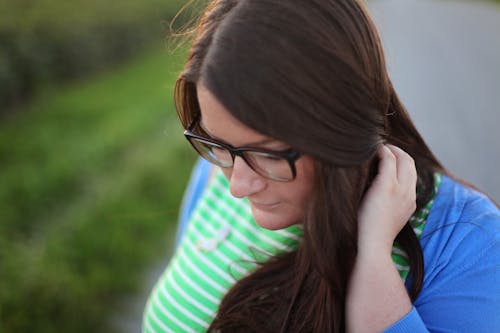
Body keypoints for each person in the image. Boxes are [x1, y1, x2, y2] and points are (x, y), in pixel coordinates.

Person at [142, 0, 500, 332]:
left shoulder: (468, 242)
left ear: (338, 130)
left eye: (268, 155)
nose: (237, 186)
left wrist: (372, 260)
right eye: (218, 143)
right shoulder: (217, 172)